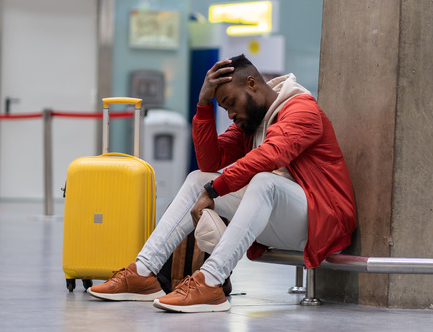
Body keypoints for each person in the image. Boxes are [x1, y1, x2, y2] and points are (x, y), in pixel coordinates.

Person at [88, 54, 357, 313]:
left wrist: (215, 191)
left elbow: (269, 156)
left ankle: (211, 282)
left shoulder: (302, 110)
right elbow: (209, 162)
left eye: (230, 103)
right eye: (224, 108)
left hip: (322, 220)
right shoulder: (251, 123)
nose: (229, 114)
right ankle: (144, 273)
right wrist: (203, 104)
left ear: (251, 84)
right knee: (197, 179)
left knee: (263, 181)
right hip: (281, 219)